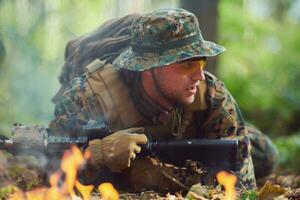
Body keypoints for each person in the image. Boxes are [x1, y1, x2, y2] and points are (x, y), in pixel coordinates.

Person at [49, 8, 277, 193]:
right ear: (147, 67)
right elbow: (51, 171)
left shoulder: (211, 93)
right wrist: (100, 153)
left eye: (201, 62)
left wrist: (153, 175)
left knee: (265, 155)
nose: (198, 76)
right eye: (186, 64)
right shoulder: (89, 96)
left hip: (190, 140)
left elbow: (241, 188)